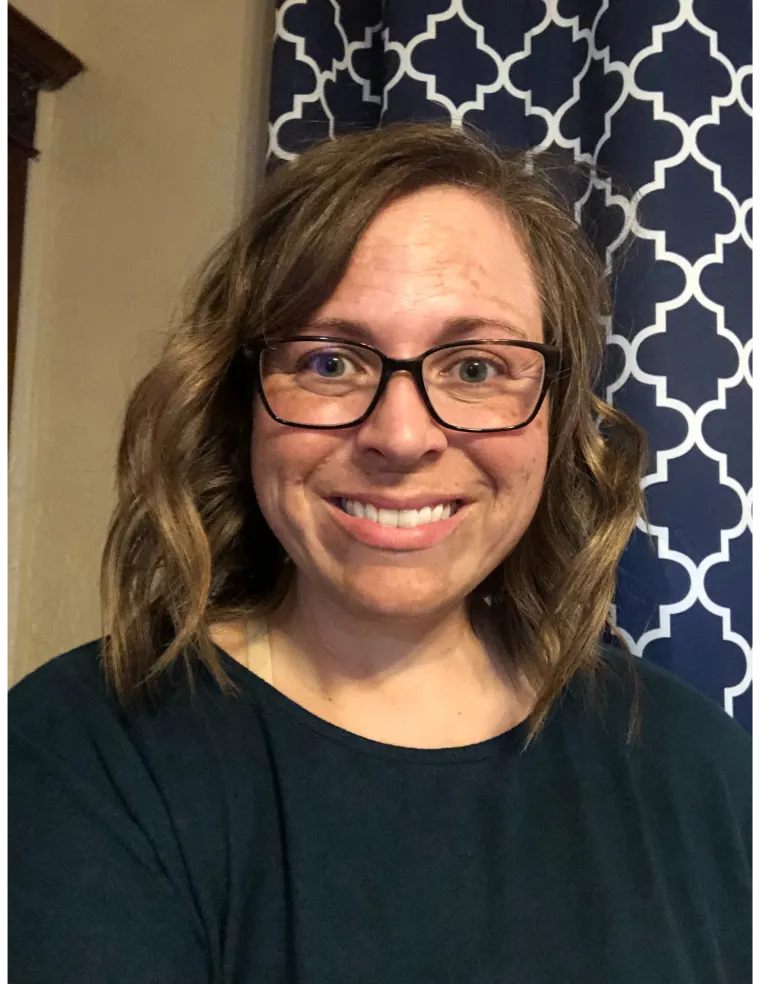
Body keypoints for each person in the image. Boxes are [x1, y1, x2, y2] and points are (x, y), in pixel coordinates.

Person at [8, 123, 752, 984]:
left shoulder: (701, 767)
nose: (401, 437)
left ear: (554, 417)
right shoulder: (78, 755)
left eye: (475, 368)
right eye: (329, 362)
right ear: (238, 403)